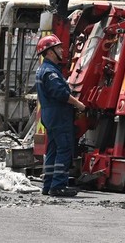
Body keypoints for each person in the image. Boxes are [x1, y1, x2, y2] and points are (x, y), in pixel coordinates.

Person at [34, 34, 86, 197]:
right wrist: (78, 104)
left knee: (53, 149)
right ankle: (58, 186)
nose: (62, 50)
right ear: (50, 52)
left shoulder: (44, 69)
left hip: (50, 115)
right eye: (58, 48)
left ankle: (48, 185)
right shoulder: (50, 72)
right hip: (59, 115)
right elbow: (61, 94)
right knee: (64, 148)